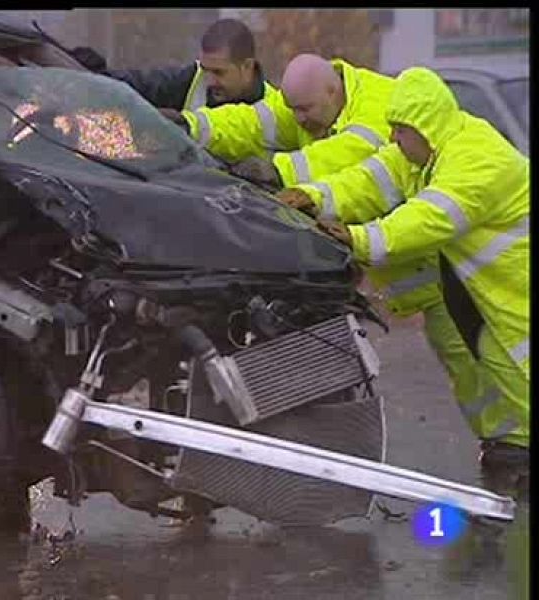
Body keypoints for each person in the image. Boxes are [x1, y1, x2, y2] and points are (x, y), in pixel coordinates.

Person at [288, 67, 529, 493]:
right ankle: (513, 444)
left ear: (424, 128)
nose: (394, 139)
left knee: (517, 364)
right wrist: (314, 196)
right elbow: (366, 181)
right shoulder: (421, 153)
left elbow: (429, 218)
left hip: (515, 287)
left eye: (400, 130)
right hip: (482, 288)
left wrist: (359, 238)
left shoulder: (476, 157)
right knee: (489, 362)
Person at [178, 53, 395, 190]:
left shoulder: (377, 102)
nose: (298, 118)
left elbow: (350, 153)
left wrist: (279, 170)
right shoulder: (310, 95)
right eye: (293, 109)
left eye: (305, 109)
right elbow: (251, 123)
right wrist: (190, 125)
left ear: (332, 92)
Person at [93, 18, 280, 112]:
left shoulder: (277, 109)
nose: (210, 81)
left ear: (247, 67)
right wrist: (97, 74)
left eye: (219, 72)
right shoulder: (189, 80)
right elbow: (140, 84)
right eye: (206, 70)